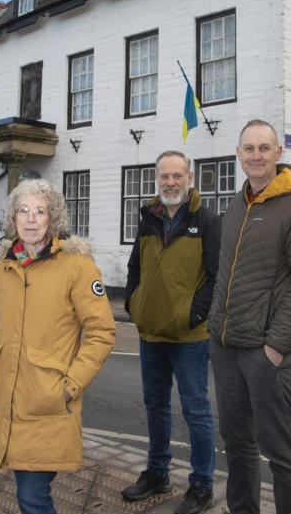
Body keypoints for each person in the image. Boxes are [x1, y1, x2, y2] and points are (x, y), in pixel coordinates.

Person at [0, 178, 115, 514]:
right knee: (29, 496)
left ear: (52, 218)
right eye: (23, 210)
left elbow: (102, 331)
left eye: (40, 211)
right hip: (9, 397)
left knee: (32, 497)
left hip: (48, 401)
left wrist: (70, 386)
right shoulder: (4, 265)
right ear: (13, 219)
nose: (31, 218)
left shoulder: (76, 266)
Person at [209, 119, 291, 514]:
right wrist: (215, 327)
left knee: (283, 451)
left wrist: (276, 347)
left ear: (279, 154)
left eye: (264, 148)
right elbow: (225, 271)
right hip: (227, 347)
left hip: (269, 353)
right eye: (248, 148)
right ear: (238, 154)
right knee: (237, 444)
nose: (255, 155)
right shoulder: (238, 202)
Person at [122, 150, 220, 514]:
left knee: (196, 410)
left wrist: (193, 314)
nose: (170, 182)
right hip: (151, 334)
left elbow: (215, 277)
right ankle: (158, 472)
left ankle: (202, 485)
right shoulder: (149, 217)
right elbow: (135, 267)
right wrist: (134, 303)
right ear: (157, 178)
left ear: (190, 179)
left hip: (189, 338)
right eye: (164, 176)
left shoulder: (207, 221)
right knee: (155, 406)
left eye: (177, 176)